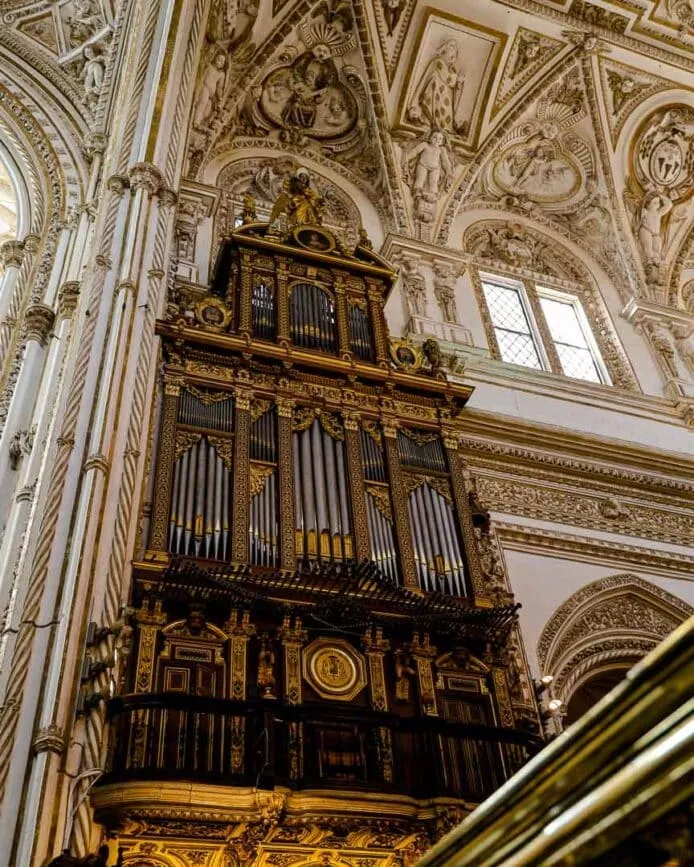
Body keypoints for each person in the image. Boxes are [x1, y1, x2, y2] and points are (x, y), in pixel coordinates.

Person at [408, 39, 464, 133]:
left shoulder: (451, 68)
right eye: (450, 54)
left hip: (444, 94)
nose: (452, 57)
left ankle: (441, 127)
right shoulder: (439, 62)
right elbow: (448, 79)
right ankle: (434, 124)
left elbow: (452, 82)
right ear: (444, 52)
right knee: (437, 107)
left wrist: (458, 80)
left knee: (445, 109)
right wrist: (458, 78)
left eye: (454, 55)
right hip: (435, 91)